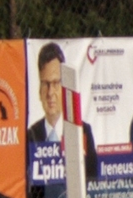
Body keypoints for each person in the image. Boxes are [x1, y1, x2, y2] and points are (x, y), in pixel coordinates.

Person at [25, 42, 98, 180]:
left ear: (64, 87)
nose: (50, 92)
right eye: (45, 84)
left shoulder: (82, 132)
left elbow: (92, 182)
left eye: (55, 83)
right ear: (39, 90)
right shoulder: (30, 137)